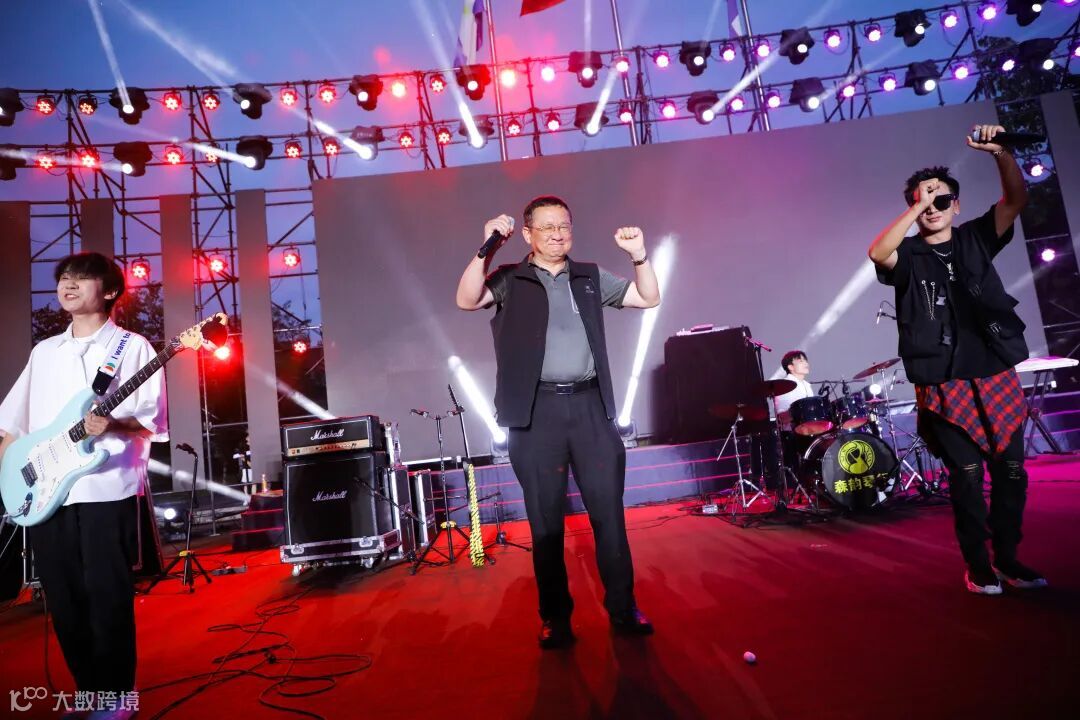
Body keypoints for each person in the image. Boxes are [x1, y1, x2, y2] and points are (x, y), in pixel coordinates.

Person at [455, 195, 660, 649]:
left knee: (609, 516)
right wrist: (487, 247)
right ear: (527, 234)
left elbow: (648, 297)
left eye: (564, 226)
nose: (557, 234)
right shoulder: (510, 278)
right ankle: (555, 618)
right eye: (546, 227)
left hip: (590, 410)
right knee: (545, 523)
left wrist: (639, 256)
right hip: (535, 415)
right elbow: (467, 299)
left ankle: (623, 608)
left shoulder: (588, 276)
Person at [868, 124, 1045, 595]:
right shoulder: (907, 255)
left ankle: (1008, 558)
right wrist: (917, 206)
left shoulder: (975, 238)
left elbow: (1015, 200)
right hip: (943, 380)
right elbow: (877, 251)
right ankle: (978, 565)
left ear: (957, 205)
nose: (933, 207)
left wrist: (1001, 153)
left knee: (1011, 472)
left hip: (994, 371)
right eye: (923, 201)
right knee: (966, 475)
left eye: (941, 199)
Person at [0, 252, 168, 718]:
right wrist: (8, 479)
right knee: (64, 596)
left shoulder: (132, 347)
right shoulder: (44, 352)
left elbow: (150, 420)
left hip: (106, 487)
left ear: (110, 291)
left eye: (82, 278)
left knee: (107, 593)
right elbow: (11, 425)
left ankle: (118, 696)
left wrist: (112, 423)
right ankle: (89, 691)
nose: (68, 285)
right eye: (64, 278)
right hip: (46, 493)